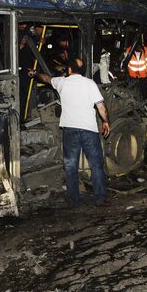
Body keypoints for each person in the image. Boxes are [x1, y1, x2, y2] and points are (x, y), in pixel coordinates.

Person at [28, 58, 111, 206]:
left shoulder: (62, 82)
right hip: (89, 130)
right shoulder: (90, 83)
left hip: (70, 130)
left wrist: (35, 74)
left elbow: (46, 79)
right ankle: (100, 199)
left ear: (70, 70)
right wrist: (105, 122)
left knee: (70, 165)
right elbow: (101, 106)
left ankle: (74, 199)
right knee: (96, 165)